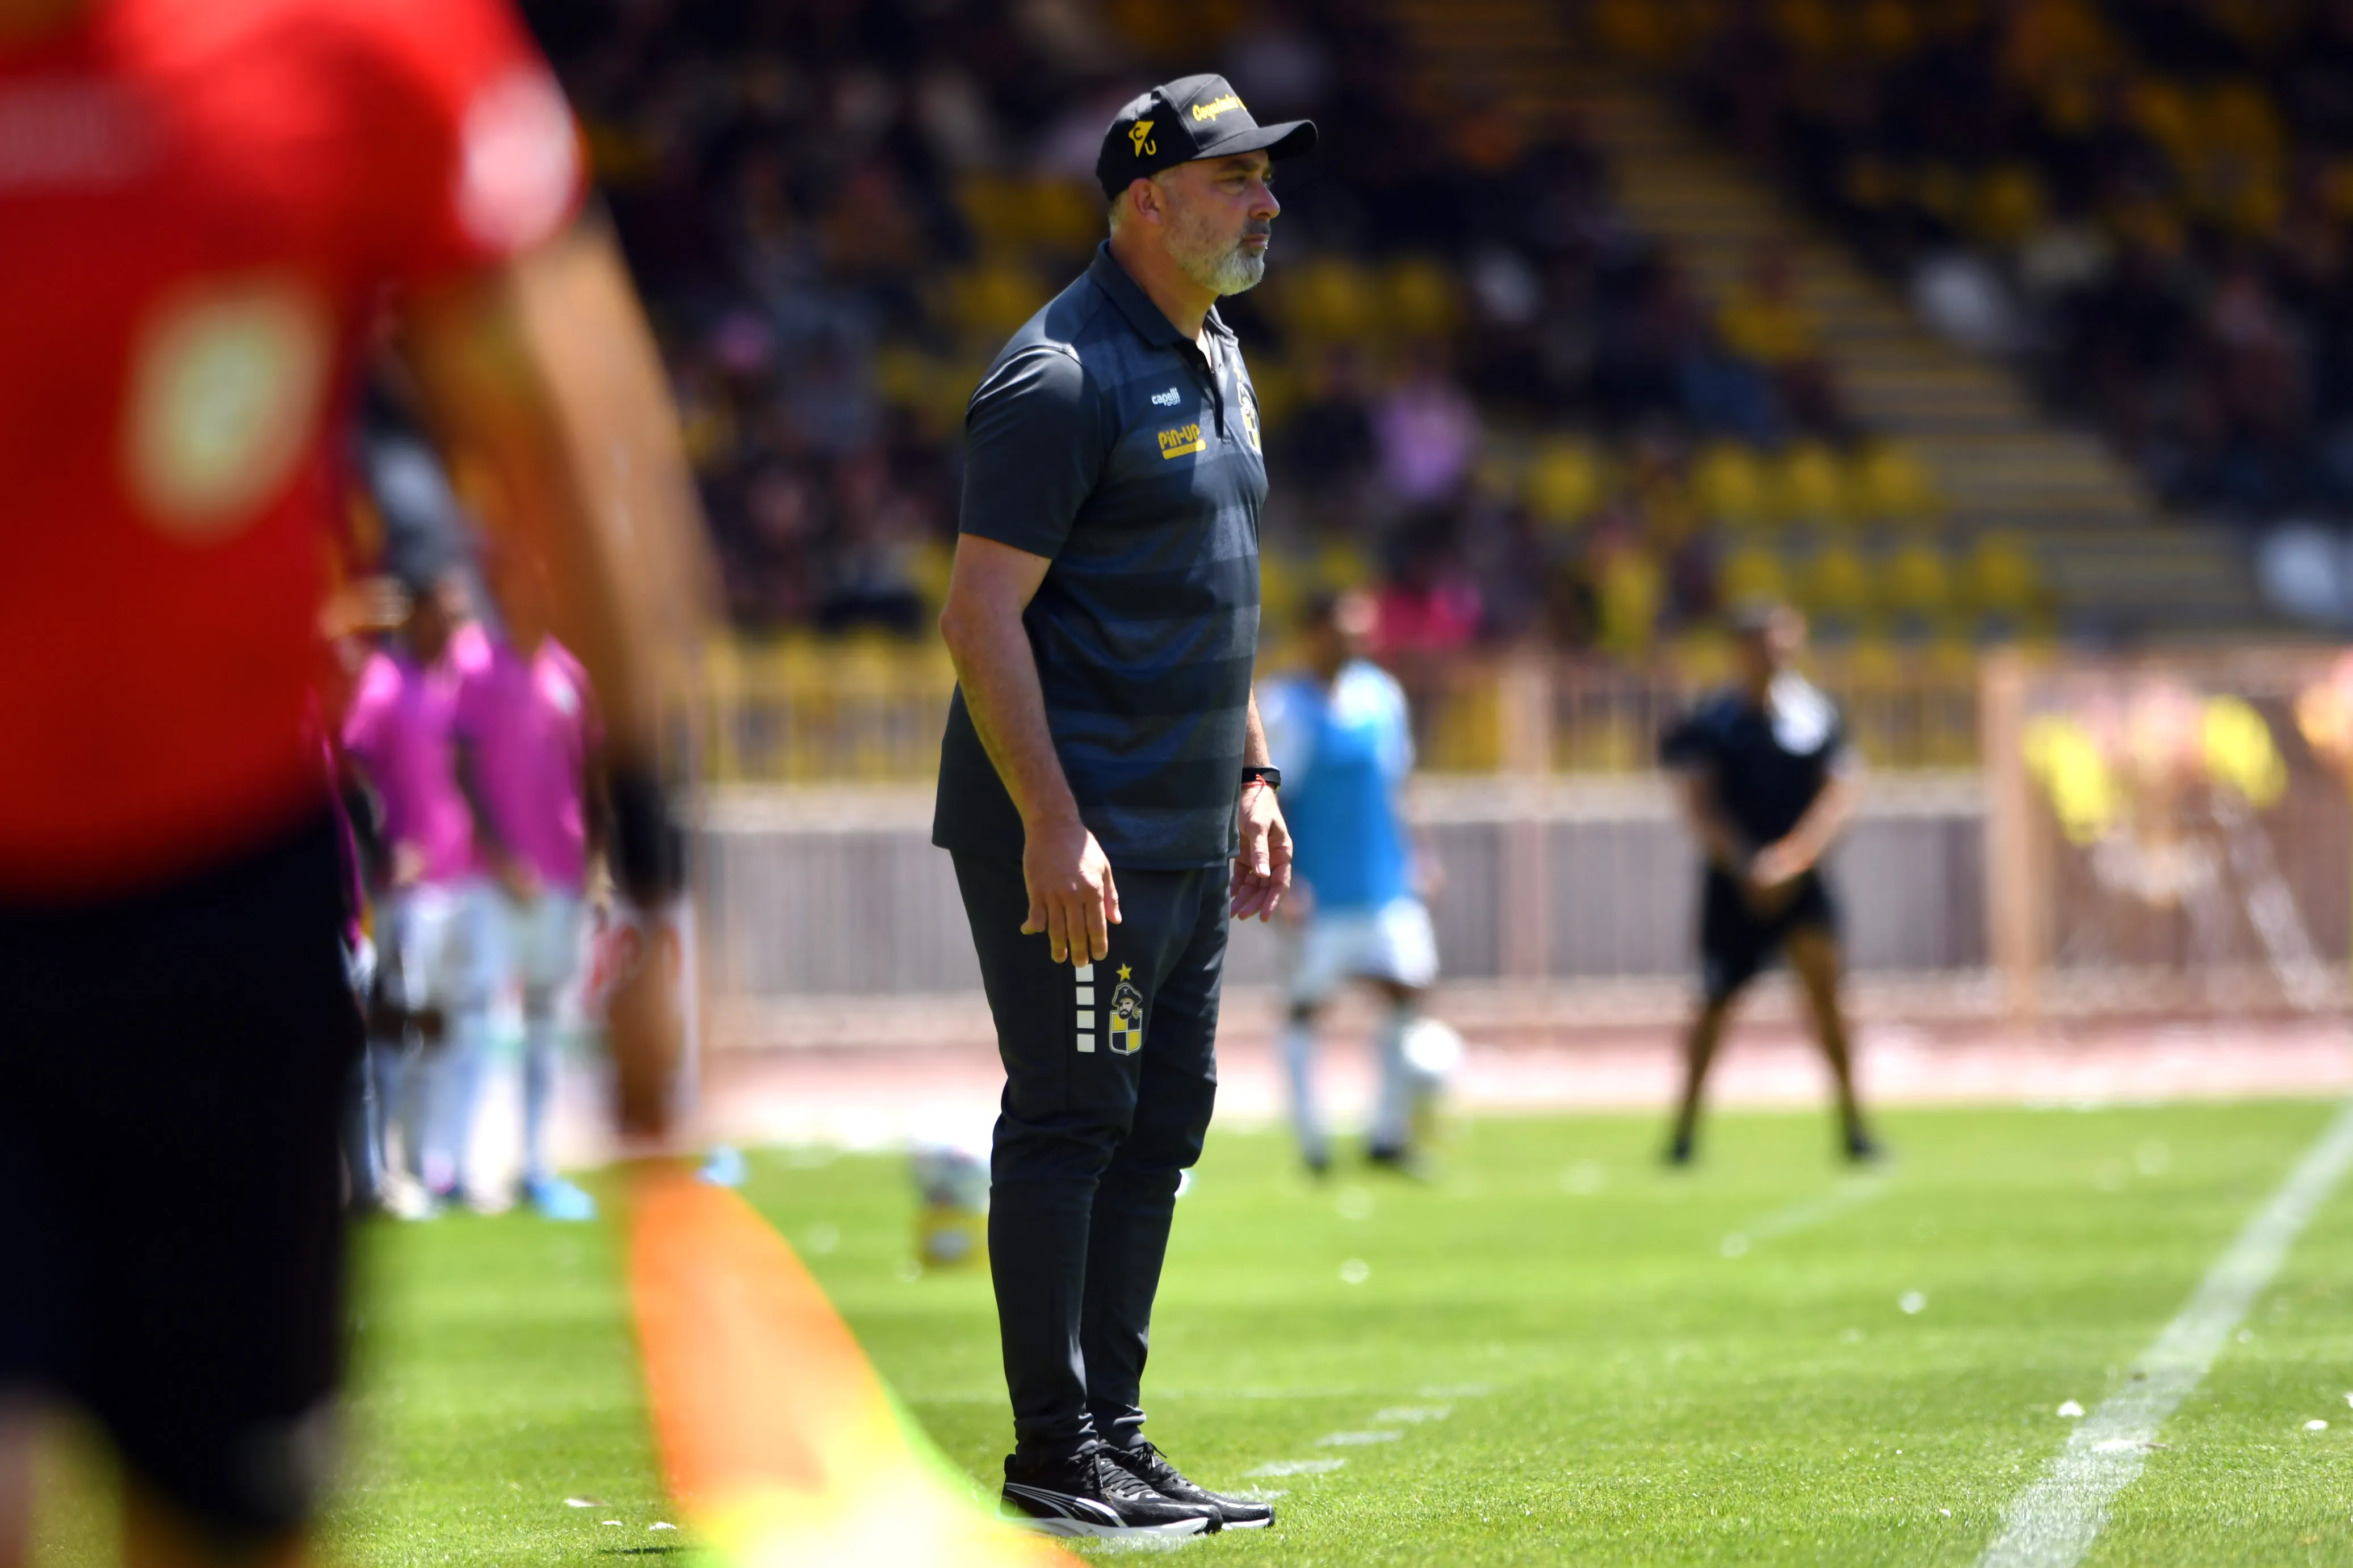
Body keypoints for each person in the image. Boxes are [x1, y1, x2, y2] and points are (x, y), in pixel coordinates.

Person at [0, 0, 708, 1560]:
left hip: (219, 912)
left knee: (228, 1517)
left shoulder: (361, 50)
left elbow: (570, 440)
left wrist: (652, 866)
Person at [932, 74, 1313, 1540]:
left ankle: (1115, 1436)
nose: (1267, 201)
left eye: (1268, 178)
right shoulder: (1059, 376)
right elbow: (980, 619)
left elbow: (1224, 594)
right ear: (1147, 195)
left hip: (1182, 826)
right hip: (1075, 831)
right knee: (1075, 1109)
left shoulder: (1219, 351)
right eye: (1237, 179)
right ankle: (1050, 1451)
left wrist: (1255, 771)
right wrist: (1050, 819)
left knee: (1164, 1118)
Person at [1658, 603, 1878, 1165]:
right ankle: (1683, 1134)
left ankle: (1854, 1127)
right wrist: (1745, 862)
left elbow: (1839, 793)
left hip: (1800, 884)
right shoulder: (1711, 720)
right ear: (1738, 649)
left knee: (1827, 1000)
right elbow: (1696, 803)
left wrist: (1793, 859)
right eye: (1760, 643)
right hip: (1732, 886)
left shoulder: (1815, 715)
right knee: (1712, 1005)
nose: (1772, 654)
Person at [1261, 590, 1450, 1176]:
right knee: (1305, 1007)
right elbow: (1271, 795)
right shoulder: (1284, 705)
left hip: (1384, 882)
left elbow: (1396, 782)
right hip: (1319, 887)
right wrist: (1284, 880)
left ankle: (1387, 1136)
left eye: (1363, 630)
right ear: (1314, 631)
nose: (1357, 641)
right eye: (1345, 629)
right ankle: (1311, 1142)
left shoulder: (1380, 696)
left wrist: (1420, 852)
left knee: (1409, 993)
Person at [448, 541, 606, 1222]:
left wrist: (596, 868)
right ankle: (459, 1164)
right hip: (496, 878)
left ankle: (535, 1162)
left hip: (562, 875)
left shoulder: (569, 674)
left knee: (544, 1020)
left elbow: (592, 777)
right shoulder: (477, 670)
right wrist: (499, 853)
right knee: (481, 1018)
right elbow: (462, 771)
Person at [341, 574, 476, 1209]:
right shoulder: (384, 685)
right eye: (446, 613)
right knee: (400, 1029)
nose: (455, 626)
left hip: (457, 877)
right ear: (420, 614)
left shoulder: (450, 682)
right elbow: (351, 771)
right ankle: (388, 1165)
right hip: (409, 888)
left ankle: (432, 1161)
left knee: (447, 1028)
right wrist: (384, 849)